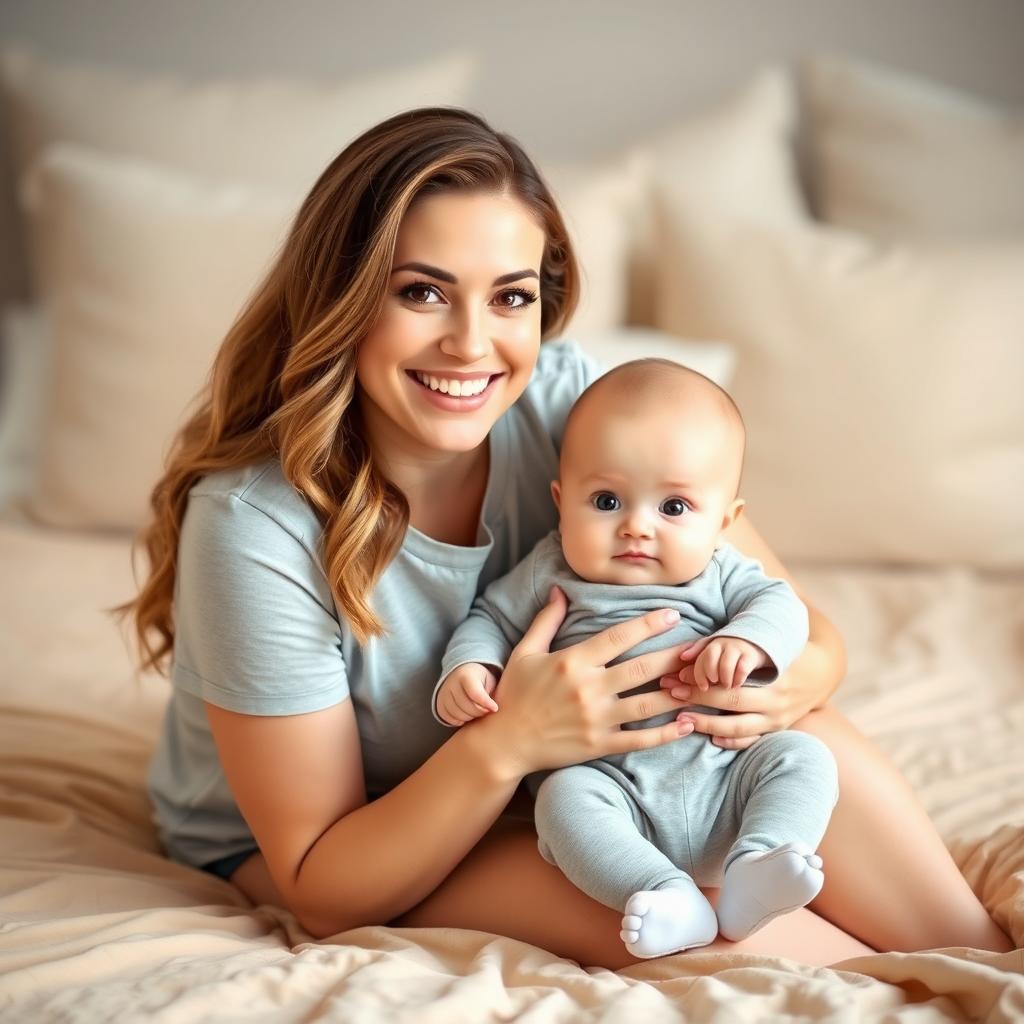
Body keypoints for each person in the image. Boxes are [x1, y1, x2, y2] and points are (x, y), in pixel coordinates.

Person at [116, 105, 1012, 969]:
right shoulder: (256, 527)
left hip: (562, 774)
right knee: (681, 927)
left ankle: (982, 962)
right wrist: (510, 742)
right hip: (361, 840)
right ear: (342, 297)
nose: (473, 345)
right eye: (422, 291)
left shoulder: (566, 405)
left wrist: (773, 690)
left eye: (509, 297)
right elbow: (323, 883)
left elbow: (803, 632)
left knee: (806, 748)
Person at [432, 358, 839, 958]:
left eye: (673, 508)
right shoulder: (552, 569)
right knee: (559, 801)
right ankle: (663, 894)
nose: (635, 528)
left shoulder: (724, 571)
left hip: (727, 778)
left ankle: (758, 865)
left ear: (725, 521)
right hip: (610, 788)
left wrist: (750, 641)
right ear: (560, 499)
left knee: (804, 756)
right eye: (605, 500)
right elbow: (488, 620)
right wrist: (469, 670)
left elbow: (783, 605)